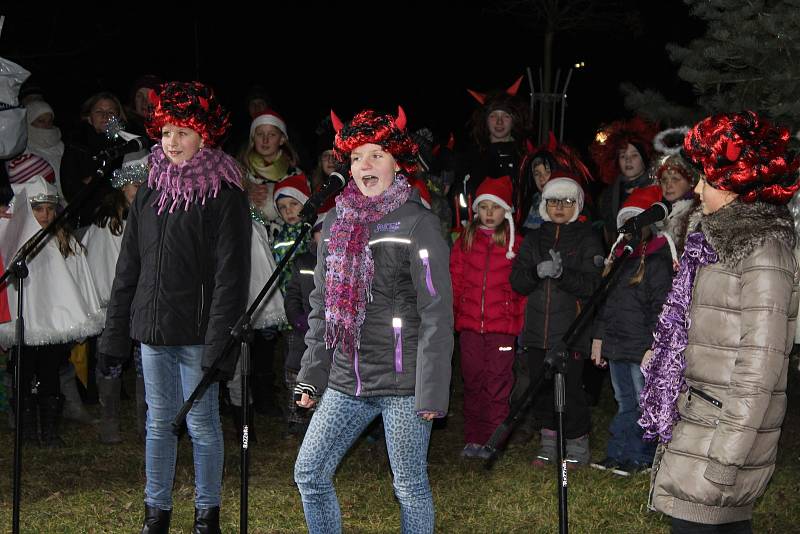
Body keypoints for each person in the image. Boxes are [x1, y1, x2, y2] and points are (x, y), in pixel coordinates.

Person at [98, 81, 251, 534]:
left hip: (199, 331)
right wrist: (115, 335)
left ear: (204, 136)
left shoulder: (224, 194)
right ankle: (156, 513)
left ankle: (207, 515)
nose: (173, 143)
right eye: (166, 133)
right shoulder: (148, 190)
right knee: (158, 423)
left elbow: (232, 277)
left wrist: (220, 342)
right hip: (152, 329)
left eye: (183, 132)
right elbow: (129, 267)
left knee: (202, 424)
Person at [293, 108, 453, 534]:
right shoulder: (334, 223)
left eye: (377, 154)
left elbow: (437, 311)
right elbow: (322, 307)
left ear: (397, 162)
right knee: (308, 473)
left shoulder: (420, 223)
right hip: (347, 379)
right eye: (359, 156)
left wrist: (432, 390)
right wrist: (313, 374)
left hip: (403, 383)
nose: (366, 164)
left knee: (409, 487)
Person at [640, 111, 800, 533]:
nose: (696, 188)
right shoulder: (714, 242)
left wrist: (726, 459)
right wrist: (666, 353)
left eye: (708, 181)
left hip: (721, 437)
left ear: (737, 187)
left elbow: (760, 365)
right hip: (703, 425)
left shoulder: (762, 252)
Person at [0, 176, 104, 446]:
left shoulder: (63, 240)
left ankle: (48, 429)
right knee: (22, 372)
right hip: (25, 323)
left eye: (49, 209)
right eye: (38, 209)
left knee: (50, 373)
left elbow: (77, 278)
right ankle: (26, 429)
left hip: (54, 324)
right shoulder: (13, 240)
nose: (45, 215)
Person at [509, 175, 603, 468]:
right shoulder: (535, 239)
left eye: (567, 201)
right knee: (541, 388)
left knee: (571, 390)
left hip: (571, 332)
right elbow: (517, 281)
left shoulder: (587, 238)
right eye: (553, 201)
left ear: (577, 205)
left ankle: (576, 442)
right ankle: (549, 442)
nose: (559, 207)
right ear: (544, 205)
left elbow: (593, 286)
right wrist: (537, 271)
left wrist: (563, 274)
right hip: (538, 331)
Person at [590, 185, 674, 475]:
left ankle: (640, 455)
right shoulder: (619, 260)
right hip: (616, 346)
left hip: (641, 349)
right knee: (624, 401)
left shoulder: (657, 262)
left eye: (635, 222)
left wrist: (654, 347)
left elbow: (660, 310)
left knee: (642, 403)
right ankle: (618, 453)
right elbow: (605, 305)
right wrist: (599, 338)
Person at [450, 175, 525, 458]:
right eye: (484, 207)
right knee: (473, 381)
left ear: (506, 211)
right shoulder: (465, 240)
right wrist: (455, 316)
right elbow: (455, 280)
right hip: (470, 326)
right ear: (476, 210)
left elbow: (522, 289)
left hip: (502, 328)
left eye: (496, 207)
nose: (490, 213)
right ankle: (474, 436)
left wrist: (518, 321)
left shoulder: (515, 243)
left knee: (498, 383)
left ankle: (494, 440)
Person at [82, 151, 149, 443]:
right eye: (135, 184)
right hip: (116, 305)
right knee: (111, 360)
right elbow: (99, 264)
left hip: (145, 305)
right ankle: (109, 420)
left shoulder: (154, 216)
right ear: (123, 187)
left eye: (146, 183)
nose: (140, 189)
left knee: (146, 362)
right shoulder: (108, 223)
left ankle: (146, 423)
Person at [590, 117, 659, 246]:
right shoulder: (607, 197)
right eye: (623, 156)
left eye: (634, 155)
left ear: (644, 159)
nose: (628, 160)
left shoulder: (657, 190)